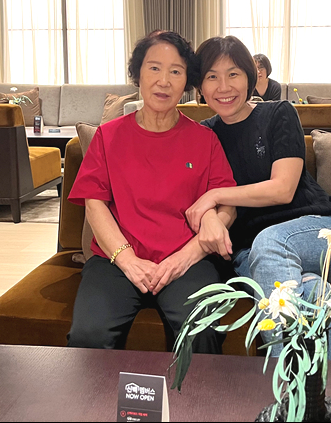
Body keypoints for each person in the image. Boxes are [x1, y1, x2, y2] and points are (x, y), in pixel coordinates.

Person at [66, 30, 236, 353]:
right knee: (89, 335)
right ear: (138, 75)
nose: (164, 81)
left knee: (200, 332)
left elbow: (227, 206)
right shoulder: (108, 136)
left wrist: (184, 259)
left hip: (187, 261)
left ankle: (194, 392)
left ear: (187, 82)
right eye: (154, 68)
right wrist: (127, 260)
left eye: (176, 71)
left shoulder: (205, 140)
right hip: (116, 261)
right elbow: (94, 205)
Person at [185, 36, 331, 358]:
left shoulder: (278, 114)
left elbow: (282, 189)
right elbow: (197, 199)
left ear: (250, 78)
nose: (223, 86)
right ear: (200, 87)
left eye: (233, 74)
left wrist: (215, 194)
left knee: (270, 243)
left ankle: (280, 380)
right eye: (212, 76)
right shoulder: (203, 135)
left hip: (318, 233)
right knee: (315, 293)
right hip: (249, 253)